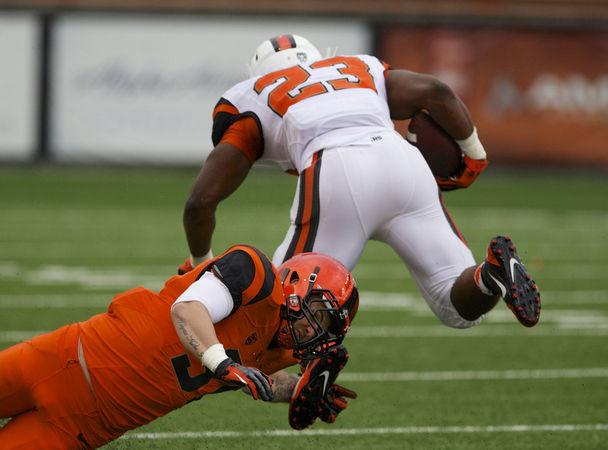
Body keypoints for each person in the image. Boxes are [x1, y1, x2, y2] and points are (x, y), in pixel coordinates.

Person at [180, 34, 541, 330]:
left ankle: (313, 375)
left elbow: (200, 202)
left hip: (337, 169)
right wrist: (475, 154)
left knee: (286, 305)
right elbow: (437, 92)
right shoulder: (357, 67)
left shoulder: (253, 94)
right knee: (459, 309)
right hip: (401, 161)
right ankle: (491, 274)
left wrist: (201, 261)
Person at [0, 245, 359, 448]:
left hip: (85, 428)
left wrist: (298, 390)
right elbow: (188, 310)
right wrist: (222, 364)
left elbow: (258, 378)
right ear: (298, 284)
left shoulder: (276, 352)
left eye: (325, 327)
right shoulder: (257, 276)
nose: (313, 330)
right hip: (64, 362)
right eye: (317, 314)